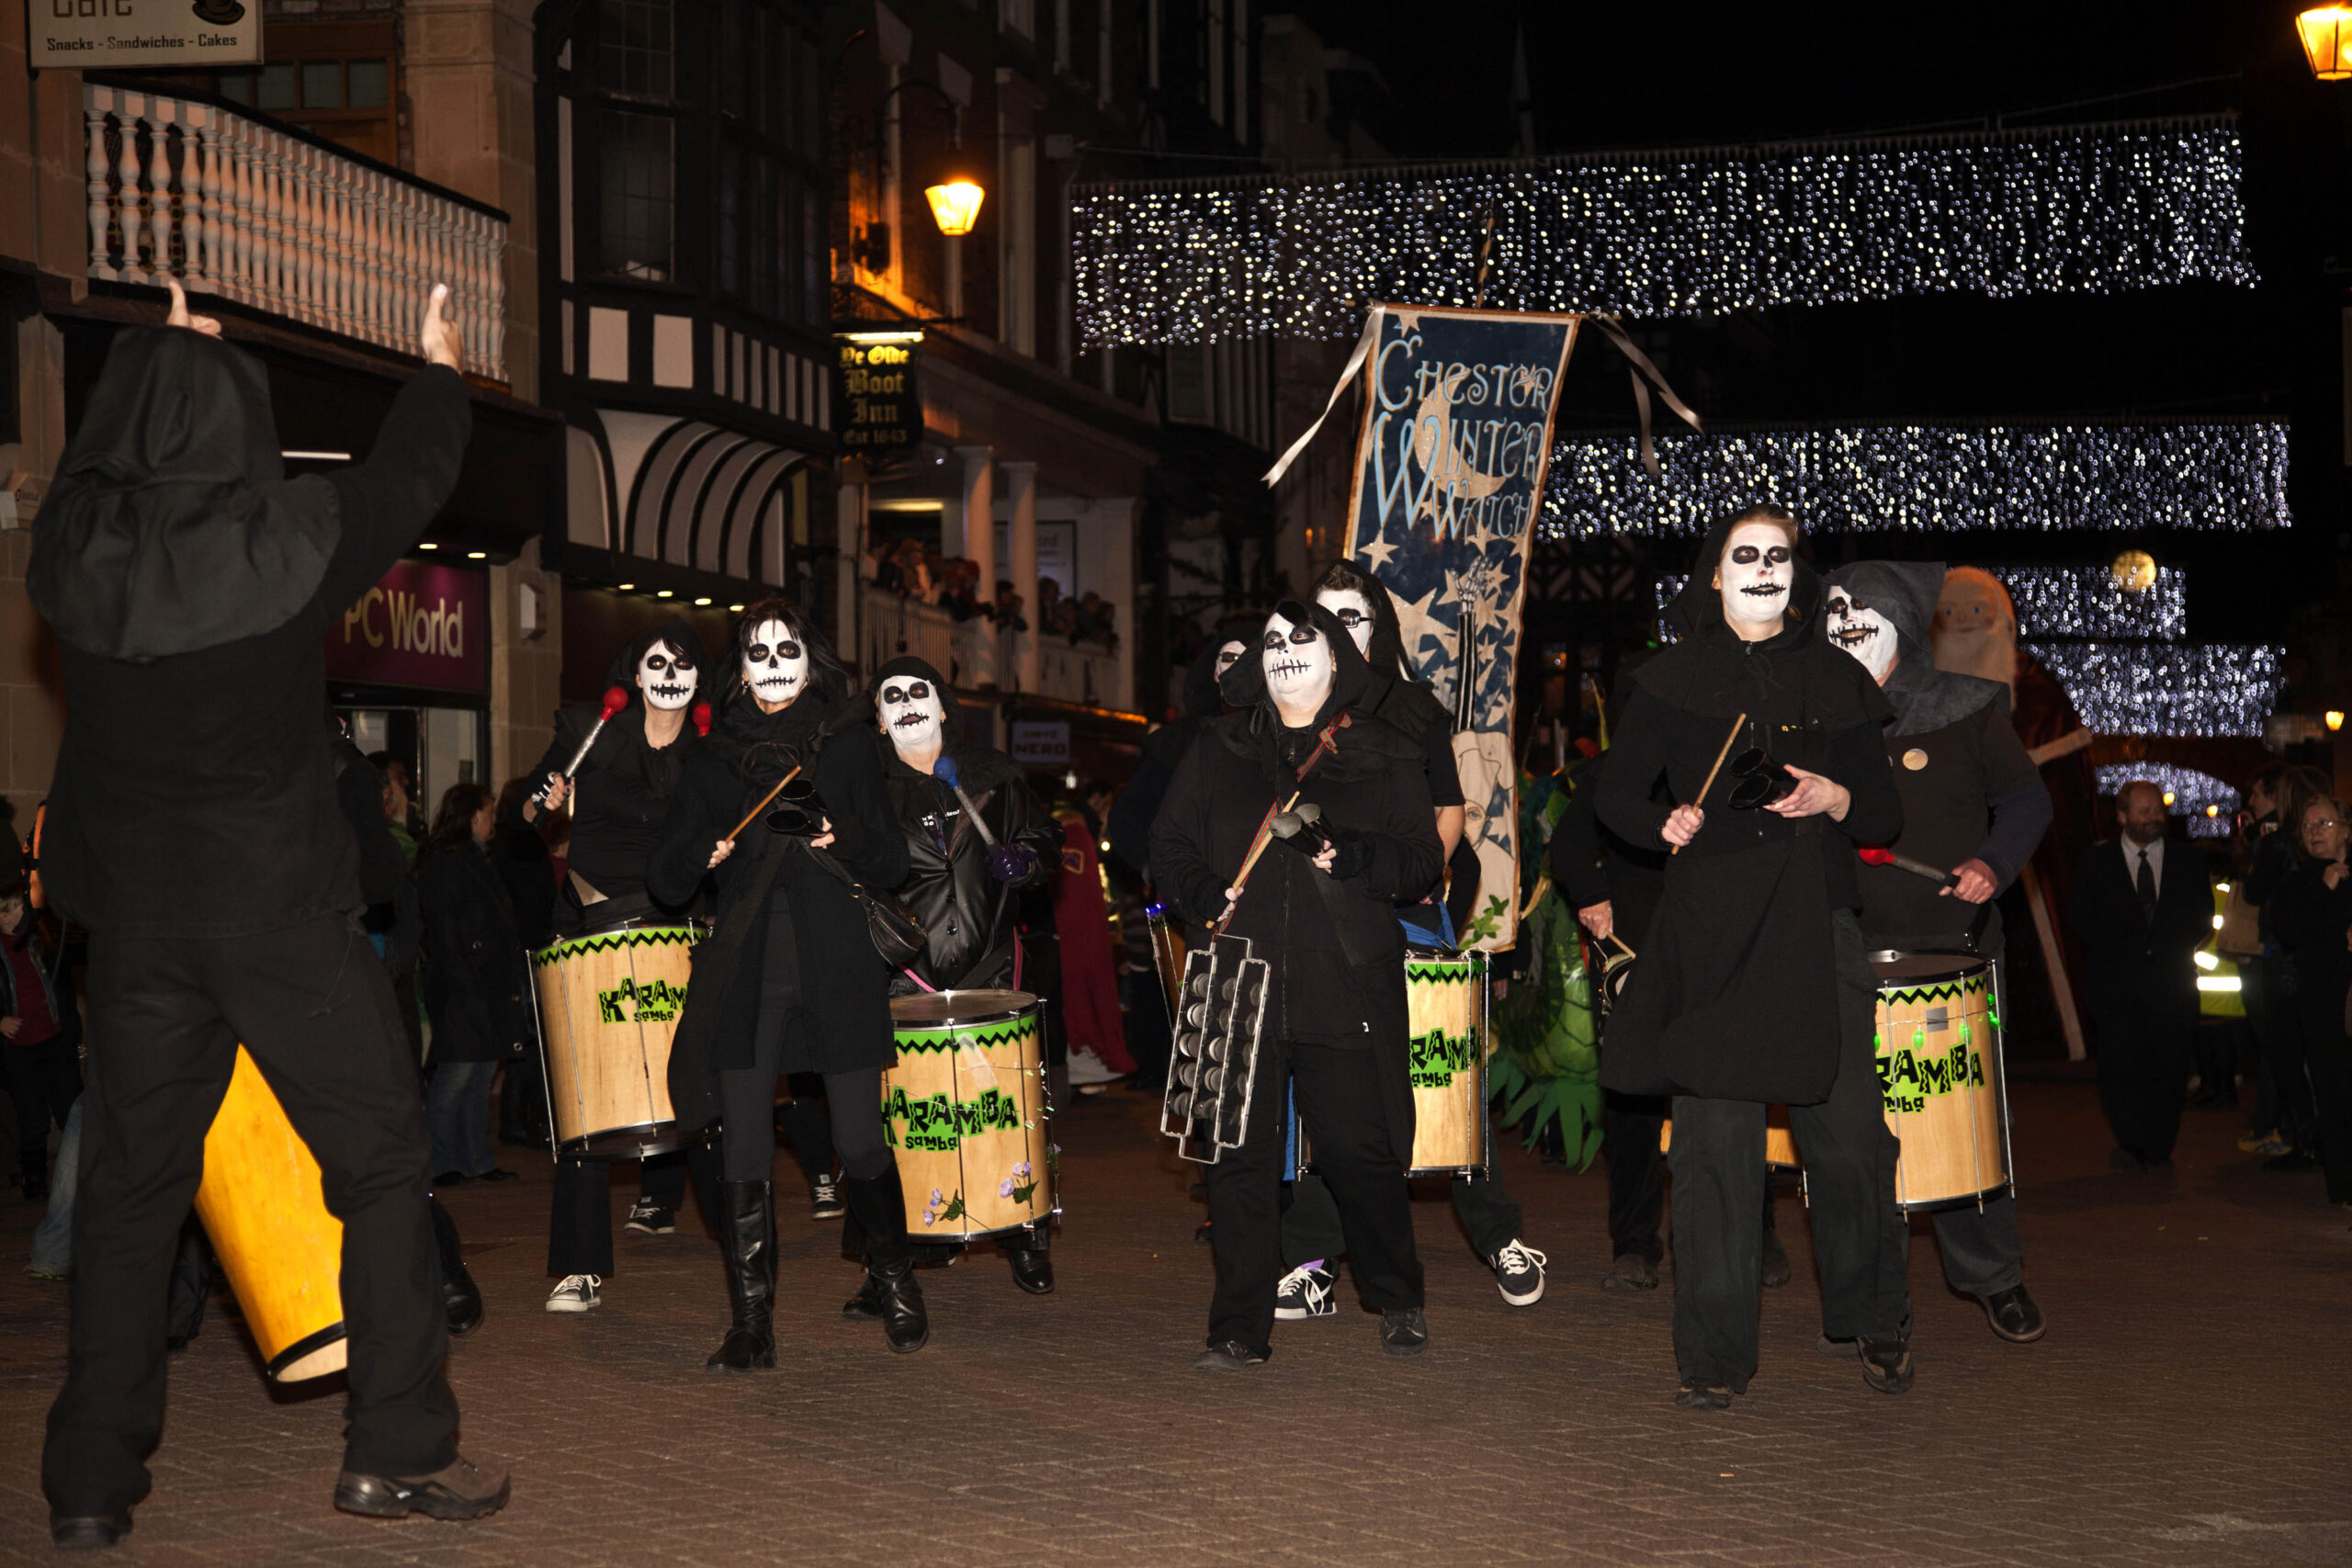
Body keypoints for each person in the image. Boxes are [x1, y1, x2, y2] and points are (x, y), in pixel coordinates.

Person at [31, 279, 504, 1543]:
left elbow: (97, 458)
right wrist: (441, 368)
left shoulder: (71, 551)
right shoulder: (292, 537)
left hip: (135, 924)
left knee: (133, 1192)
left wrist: (153, 352)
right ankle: (397, 1446)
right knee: (384, 1156)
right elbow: (410, 471)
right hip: (278, 911)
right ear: (242, 415)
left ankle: (88, 1483)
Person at [1596, 504, 1909, 1411]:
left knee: (1848, 1142)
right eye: (1745, 555)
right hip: (1712, 932)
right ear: (1714, 575)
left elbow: (1884, 818)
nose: (1764, 567)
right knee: (1713, 1150)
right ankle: (1713, 1353)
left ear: (1794, 575)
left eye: (1778, 555)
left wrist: (1833, 795)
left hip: (1818, 924)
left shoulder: (1837, 677)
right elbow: (1614, 793)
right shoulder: (1669, 679)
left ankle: (1872, 1312)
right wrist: (1663, 821)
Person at [1151, 600, 1443, 1371]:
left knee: (1358, 1150)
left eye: (1300, 637)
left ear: (1338, 654)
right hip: (1239, 983)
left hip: (1338, 980)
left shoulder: (1384, 748)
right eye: (1272, 641)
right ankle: (1239, 1325)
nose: (1282, 650)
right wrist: (1202, 890)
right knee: (1238, 1160)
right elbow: (1168, 841)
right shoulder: (1220, 747)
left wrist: (1351, 854)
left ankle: (1395, 1290)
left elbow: (1421, 862)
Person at [1269, 559, 1547, 1317]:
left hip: (1404, 912)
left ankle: (1497, 1236)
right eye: (1316, 620)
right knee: (1331, 1097)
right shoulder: (1288, 711)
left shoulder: (1413, 707)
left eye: (1349, 617)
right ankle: (1319, 1258)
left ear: (1377, 625)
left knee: (1442, 1078)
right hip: (1322, 932)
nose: (1332, 633)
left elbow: (1447, 813)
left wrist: (1406, 881)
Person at [648, 601, 919, 1365]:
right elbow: (666, 879)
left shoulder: (848, 747)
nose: (772, 661)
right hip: (746, 968)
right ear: (740, 666)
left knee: (859, 1137)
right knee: (743, 1146)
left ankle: (895, 1280)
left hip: (836, 964)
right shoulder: (709, 758)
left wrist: (840, 833)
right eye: (758, 650)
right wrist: (703, 851)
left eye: (787, 647)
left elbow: (894, 863)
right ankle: (751, 1322)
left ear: (810, 656)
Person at [1822, 561, 2054, 1344]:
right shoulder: (1811, 717)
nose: (1845, 622)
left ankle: (1995, 1276)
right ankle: (1880, 1306)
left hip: (1955, 953)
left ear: (1896, 618)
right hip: (1849, 956)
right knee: (1862, 1140)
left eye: (1861, 612)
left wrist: (1993, 862)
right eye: (1834, 612)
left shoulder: (1967, 708)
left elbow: (2027, 800)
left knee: (1966, 1121)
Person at [516, 621, 717, 1312]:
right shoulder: (591, 731)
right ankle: (579, 1266)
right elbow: (528, 811)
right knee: (582, 1095)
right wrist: (541, 802)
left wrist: (715, 854)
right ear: (635, 672)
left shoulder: (708, 751)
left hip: (668, 926)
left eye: (682, 662)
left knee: (693, 1091)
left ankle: (743, 1245)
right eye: (655, 661)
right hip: (587, 921)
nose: (668, 671)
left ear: (696, 677)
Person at [869, 654, 1063, 1288]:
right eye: (890, 696)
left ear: (943, 704)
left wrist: (1027, 860)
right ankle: (895, 1258)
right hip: (905, 975)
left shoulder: (995, 777)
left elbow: (1046, 840)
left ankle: (1025, 1235)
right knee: (911, 1119)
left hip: (991, 968)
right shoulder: (866, 790)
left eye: (917, 691)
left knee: (1003, 1108)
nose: (906, 703)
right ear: (878, 717)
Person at [2068, 780, 2211, 1171]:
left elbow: (2201, 916)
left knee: (2169, 1068)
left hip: (2172, 985)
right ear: (2122, 816)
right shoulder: (2096, 863)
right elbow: (2081, 918)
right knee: (2121, 1067)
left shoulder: (2189, 861)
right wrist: (2122, 950)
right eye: (2144, 811)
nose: (2153, 818)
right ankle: (2130, 1143)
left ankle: (2159, 1146)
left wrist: (2167, 948)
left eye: (2158, 810)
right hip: (2117, 987)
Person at [416, 783, 530, 1188]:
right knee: (457, 1077)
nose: (492, 820)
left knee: (480, 1076)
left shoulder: (478, 859)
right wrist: (468, 989)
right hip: (464, 987)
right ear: (471, 816)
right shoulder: (445, 864)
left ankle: (475, 1160)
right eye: (488, 811)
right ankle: (441, 1160)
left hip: (486, 985)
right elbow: (447, 935)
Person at [2239, 765, 2333, 1166]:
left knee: (2287, 1057)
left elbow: (2255, 891)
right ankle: (2315, 1139)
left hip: (2283, 963)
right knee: (2315, 1058)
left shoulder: (2281, 844)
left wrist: (2255, 844)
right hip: (2315, 961)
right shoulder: (2319, 842)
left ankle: (2304, 1140)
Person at [2261, 794, 2352, 1209]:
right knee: (2334, 1093)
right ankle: (2345, 1186)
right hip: (2322, 1004)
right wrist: (2324, 887)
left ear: (2346, 830)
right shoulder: (2298, 884)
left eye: (2325, 824)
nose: (2316, 832)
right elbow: (2292, 932)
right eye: (2309, 826)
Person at [0, 878, 80, 1202]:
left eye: (22, 904)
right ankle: (35, 1180)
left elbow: (65, 990)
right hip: (19, 1051)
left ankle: (85, 1176)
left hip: (55, 1042)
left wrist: (71, 1034)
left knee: (74, 1112)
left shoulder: (43, 940)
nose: (22, 911)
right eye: (14, 908)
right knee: (32, 1119)